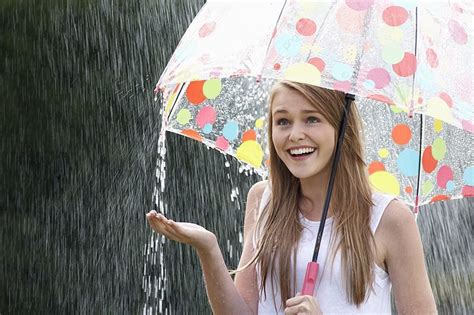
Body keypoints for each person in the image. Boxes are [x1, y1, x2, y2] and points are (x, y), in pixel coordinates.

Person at [146, 81, 437, 314]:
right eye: (282, 121)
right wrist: (208, 248)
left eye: (311, 119)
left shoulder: (389, 218)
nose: (295, 134)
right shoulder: (263, 200)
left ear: (342, 128)